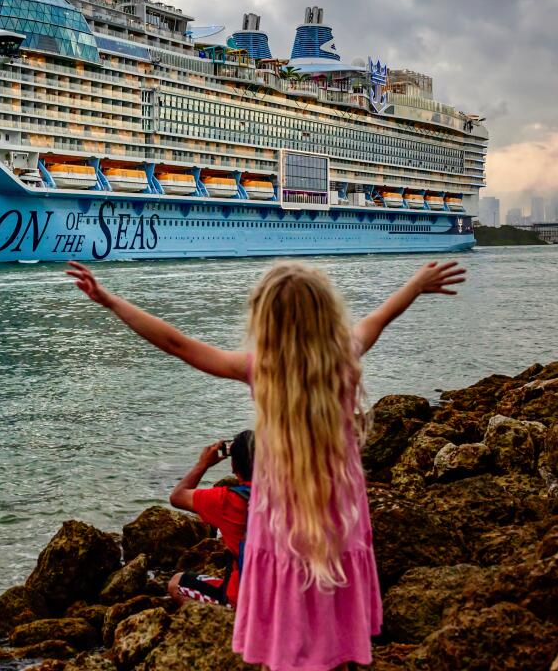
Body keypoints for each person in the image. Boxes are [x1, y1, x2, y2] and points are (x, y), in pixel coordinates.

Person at [66, 259, 465, 671]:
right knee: (329, 605)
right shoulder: (344, 353)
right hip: (338, 514)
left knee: (287, 620)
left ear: (265, 318)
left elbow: (177, 344)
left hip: (280, 522)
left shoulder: (262, 370)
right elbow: (384, 313)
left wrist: (110, 300)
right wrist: (416, 284)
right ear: (326, 312)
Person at [167, 430, 255, 609]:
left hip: (243, 600)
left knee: (176, 583)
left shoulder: (228, 501)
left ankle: (218, 620)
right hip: (285, 596)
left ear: (234, 468)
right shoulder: (290, 494)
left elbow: (177, 496)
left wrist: (204, 463)